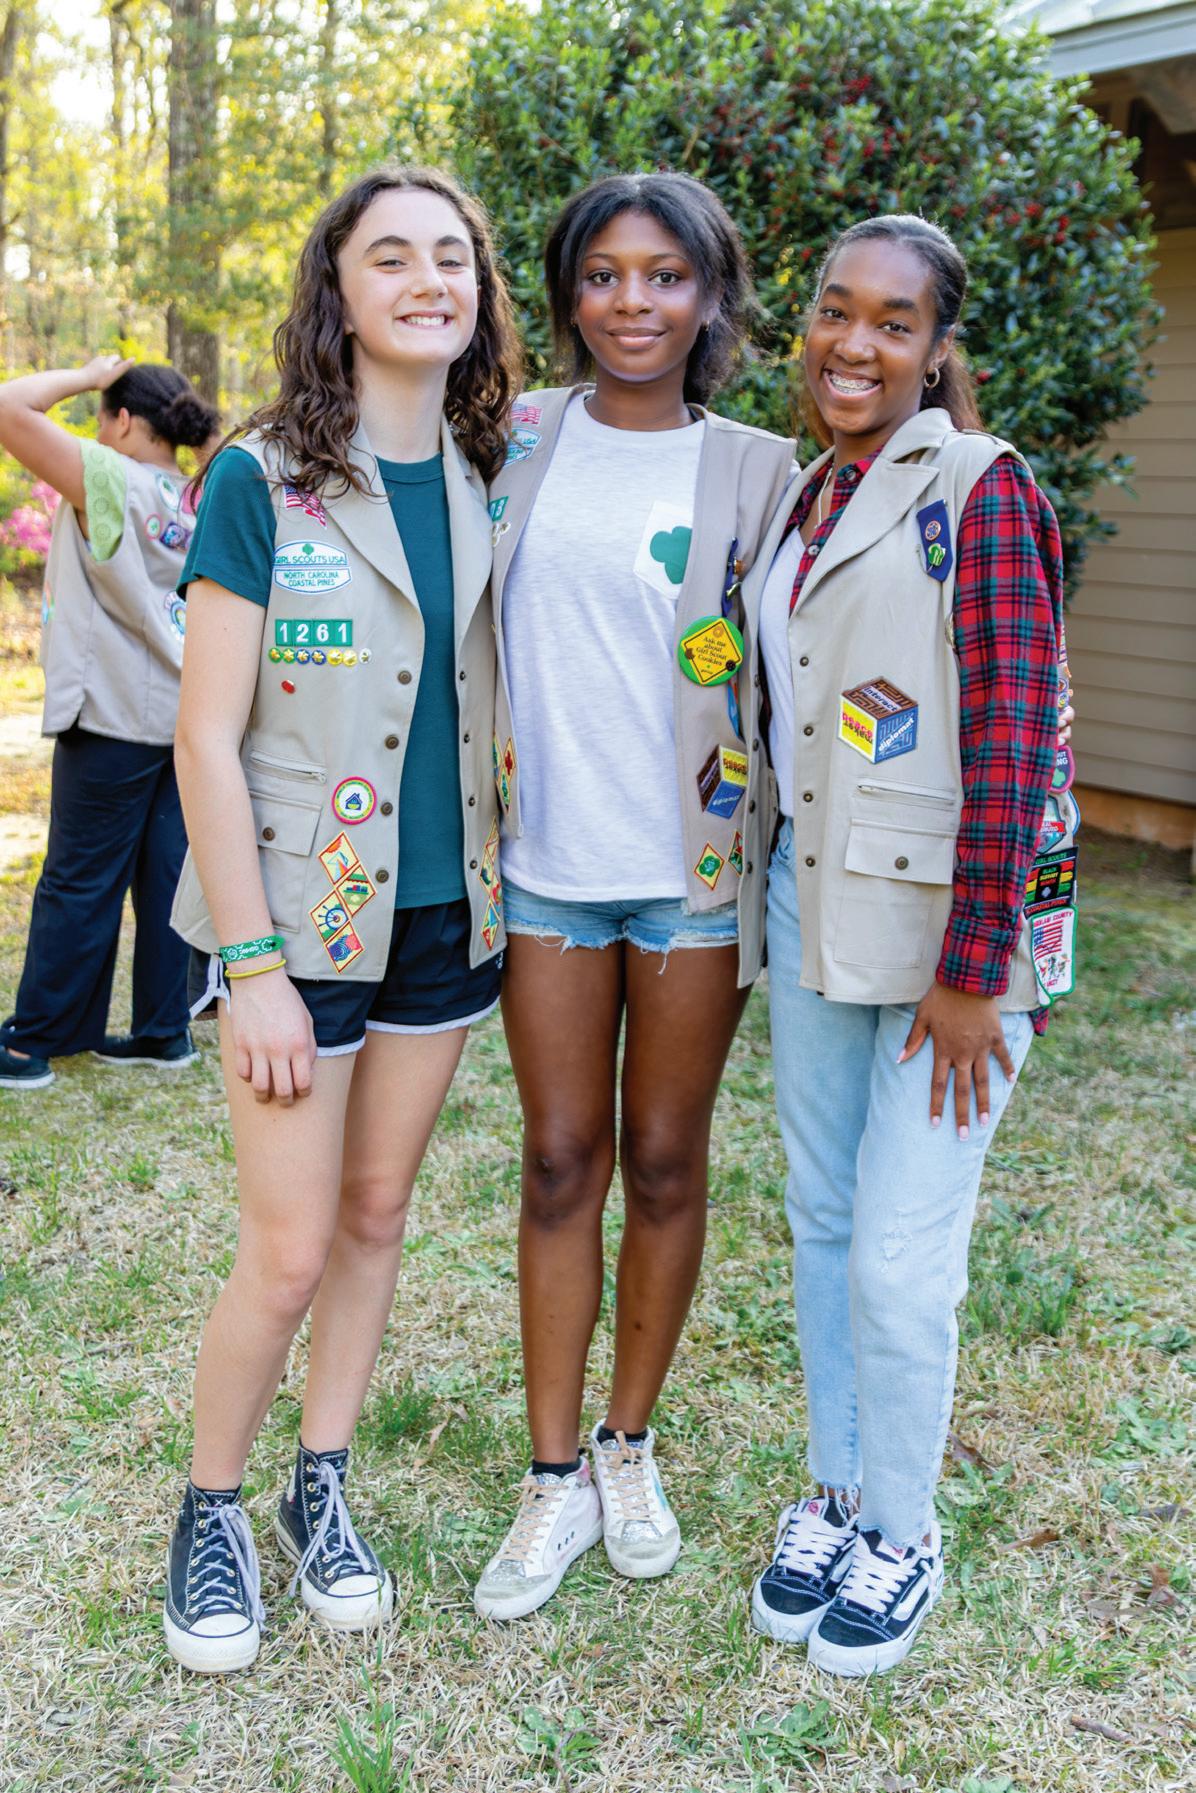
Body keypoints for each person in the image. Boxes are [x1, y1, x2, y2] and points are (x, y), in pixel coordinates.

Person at [164, 164, 521, 1672]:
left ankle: (323, 1484)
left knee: (378, 1218)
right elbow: (203, 738)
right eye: (393, 257)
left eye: (453, 257)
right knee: (291, 1246)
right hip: (296, 927)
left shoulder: (495, 468)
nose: (429, 280)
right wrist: (247, 964)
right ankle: (209, 1508)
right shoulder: (262, 479)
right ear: (339, 288)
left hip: (447, 921)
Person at [745, 215, 1070, 1676]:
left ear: (937, 347)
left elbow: (1014, 735)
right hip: (810, 903)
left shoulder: (979, 487)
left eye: (893, 321)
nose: (854, 343)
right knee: (822, 1218)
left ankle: (903, 1528)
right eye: (835, 310)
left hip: (950, 940)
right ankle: (835, 1494)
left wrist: (974, 969)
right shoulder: (806, 490)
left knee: (895, 1255)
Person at [473, 173, 795, 1621]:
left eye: (664, 275)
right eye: (602, 274)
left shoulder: (760, 472)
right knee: (559, 1162)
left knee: (664, 1160)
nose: (632, 302)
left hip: (692, 884)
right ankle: (550, 1475)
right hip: (545, 868)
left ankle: (626, 1444)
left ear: (708, 295)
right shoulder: (512, 441)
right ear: (567, 293)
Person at [0, 358, 219, 1089]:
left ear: (124, 421)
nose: (95, 434)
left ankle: (34, 1043)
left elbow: (8, 408)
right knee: (166, 878)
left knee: (79, 879)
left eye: (101, 417)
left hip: (113, 713)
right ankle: (164, 1031)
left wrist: (88, 371)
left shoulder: (110, 476)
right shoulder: (199, 493)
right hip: (187, 717)